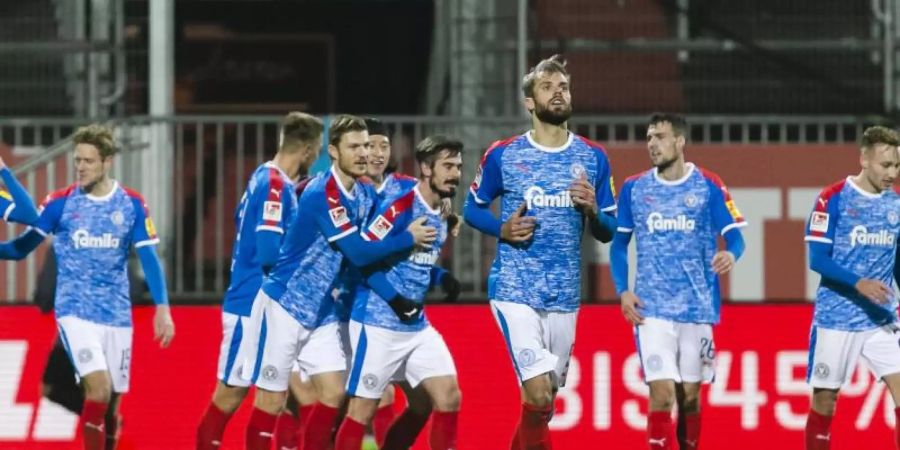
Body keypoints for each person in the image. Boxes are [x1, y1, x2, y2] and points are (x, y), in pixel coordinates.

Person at [242, 114, 436, 450]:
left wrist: (441, 210)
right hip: (283, 306)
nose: (364, 153)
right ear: (333, 151)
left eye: (367, 145)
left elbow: (391, 217)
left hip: (320, 311)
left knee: (334, 394)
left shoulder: (361, 194)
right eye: (354, 146)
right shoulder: (323, 192)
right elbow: (360, 253)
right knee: (271, 401)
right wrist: (409, 238)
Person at [463, 54, 617, 449]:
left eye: (563, 86)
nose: (558, 93)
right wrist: (501, 229)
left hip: (565, 296)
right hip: (515, 289)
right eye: (547, 87)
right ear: (529, 102)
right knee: (537, 394)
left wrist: (593, 211)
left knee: (543, 405)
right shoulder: (504, 154)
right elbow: (470, 209)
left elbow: (608, 231)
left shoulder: (593, 157)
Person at [0, 124, 174, 450]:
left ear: (107, 162)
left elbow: (148, 258)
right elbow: (20, 248)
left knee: (111, 407)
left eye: (88, 161)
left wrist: (163, 307)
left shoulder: (132, 205)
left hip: (117, 315)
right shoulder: (58, 204)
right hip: (75, 312)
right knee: (99, 390)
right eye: (77, 159)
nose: (80, 167)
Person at [610, 113, 747, 450]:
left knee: (690, 399)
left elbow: (737, 239)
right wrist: (623, 291)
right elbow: (618, 244)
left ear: (680, 141)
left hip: (697, 309)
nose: (652, 144)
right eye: (648, 138)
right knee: (661, 394)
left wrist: (731, 255)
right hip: (652, 310)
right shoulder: (634, 188)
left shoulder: (708, 185)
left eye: (660, 136)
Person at [196, 112, 324, 450]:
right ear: (309, 149)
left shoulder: (265, 177)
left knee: (281, 396)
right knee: (230, 395)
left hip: (272, 307)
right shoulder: (274, 187)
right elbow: (269, 252)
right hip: (250, 306)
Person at [334, 134, 464, 450]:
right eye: (447, 166)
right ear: (426, 169)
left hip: (415, 326)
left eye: (458, 166)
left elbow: (413, 264)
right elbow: (362, 257)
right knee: (361, 410)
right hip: (378, 323)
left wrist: (440, 277)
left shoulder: (444, 212)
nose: (455, 173)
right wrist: (395, 299)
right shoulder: (400, 208)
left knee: (445, 397)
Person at [802, 125, 900, 450]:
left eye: (897, 166)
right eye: (885, 165)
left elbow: (896, 259)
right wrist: (858, 283)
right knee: (825, 402)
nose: (892, 173)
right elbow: (817, 258)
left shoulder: (896, 204)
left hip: (880, 319)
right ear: (863, 159)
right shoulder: (832, 198)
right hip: (837, 317)